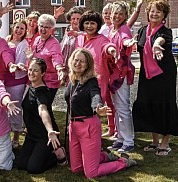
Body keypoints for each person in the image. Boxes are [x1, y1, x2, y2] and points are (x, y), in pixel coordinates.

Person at [65, 48, 137, 179]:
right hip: (73, 127)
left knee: (91, 173)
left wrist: (98, 107)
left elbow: (95, 95)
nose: (78, 63)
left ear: (88, 65)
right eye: (76, 60)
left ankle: (123, 162)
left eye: (82, 61)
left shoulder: (91, 81)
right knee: (76, 169)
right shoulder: (72, 80)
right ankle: (103, 156)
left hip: (88, 127)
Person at [133, 0, 178, 156]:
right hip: (147, 74)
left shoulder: (166, 31)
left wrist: (156, 45)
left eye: (158, 12)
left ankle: (165, 143)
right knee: (148, 103)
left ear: (164, 15)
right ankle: (154, 141)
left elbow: (160, 39)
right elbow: (136, 42)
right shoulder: (142, 31)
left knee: (164, 105)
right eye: (152, 11)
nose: (154, 14)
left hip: (164, 74)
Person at [16, 58, 66, 174]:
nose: (31, 73)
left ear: (43, 73)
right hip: (32, 134)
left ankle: (57, 155)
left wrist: (50, 131)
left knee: (33, 168)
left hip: (46, 136)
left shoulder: (42, 92)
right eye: (30, 69)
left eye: (36, 71)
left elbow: (43, 110)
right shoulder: (32, 86)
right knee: (21, 164)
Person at [76, 11, 118, 140]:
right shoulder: (80, 38)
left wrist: (112, 50)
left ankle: (93, 137)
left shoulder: (102, 39)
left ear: (98, 25)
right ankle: (83, 133)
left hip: (98, 79)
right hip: (82, 78)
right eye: (86, 23)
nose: (89, 26)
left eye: (92, 23)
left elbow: (107, 46)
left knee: (95, 108)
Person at [106, 1, 136, 154]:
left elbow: (125, 39)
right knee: (117, 107)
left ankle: (129, 140)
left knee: (123, 107)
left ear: (125, 17)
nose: (117, 16)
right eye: (115, 13)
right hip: (112, 73)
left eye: (121, 14)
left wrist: (128, 43)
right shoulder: (111, 29)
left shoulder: (124, 29)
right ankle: (120, 138)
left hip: (121, 73)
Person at [28, 14, 64, 106]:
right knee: (29, 106)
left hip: (48, 82)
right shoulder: (37, 39)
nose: (43, 29)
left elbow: (57, 57)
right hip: (36, 79)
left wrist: (59, 68)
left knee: (43, 108)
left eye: (46, 27)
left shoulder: (54, 43)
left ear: (51, 29)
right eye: (41, 26)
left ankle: (48, 121)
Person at [5, 19, 29, 148]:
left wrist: (21, 66)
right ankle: (4, 136)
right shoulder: (5, 41)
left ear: (25, 32)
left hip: (17, 81)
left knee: (16, 108)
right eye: (17, 27)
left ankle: (16, 137)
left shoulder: (24, 44)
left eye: (22, 29)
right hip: (4, 79)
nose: (19, 30)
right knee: (4, 110)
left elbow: (28, 61)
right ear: (13, 27)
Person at [60, 6, 84, 73]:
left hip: (77, 68)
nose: (76, 21)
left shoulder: (84, 33)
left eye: (78, 19)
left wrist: (77, 34)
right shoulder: (67, 31)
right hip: (65, 67)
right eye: (73, 18)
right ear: (70, 20)